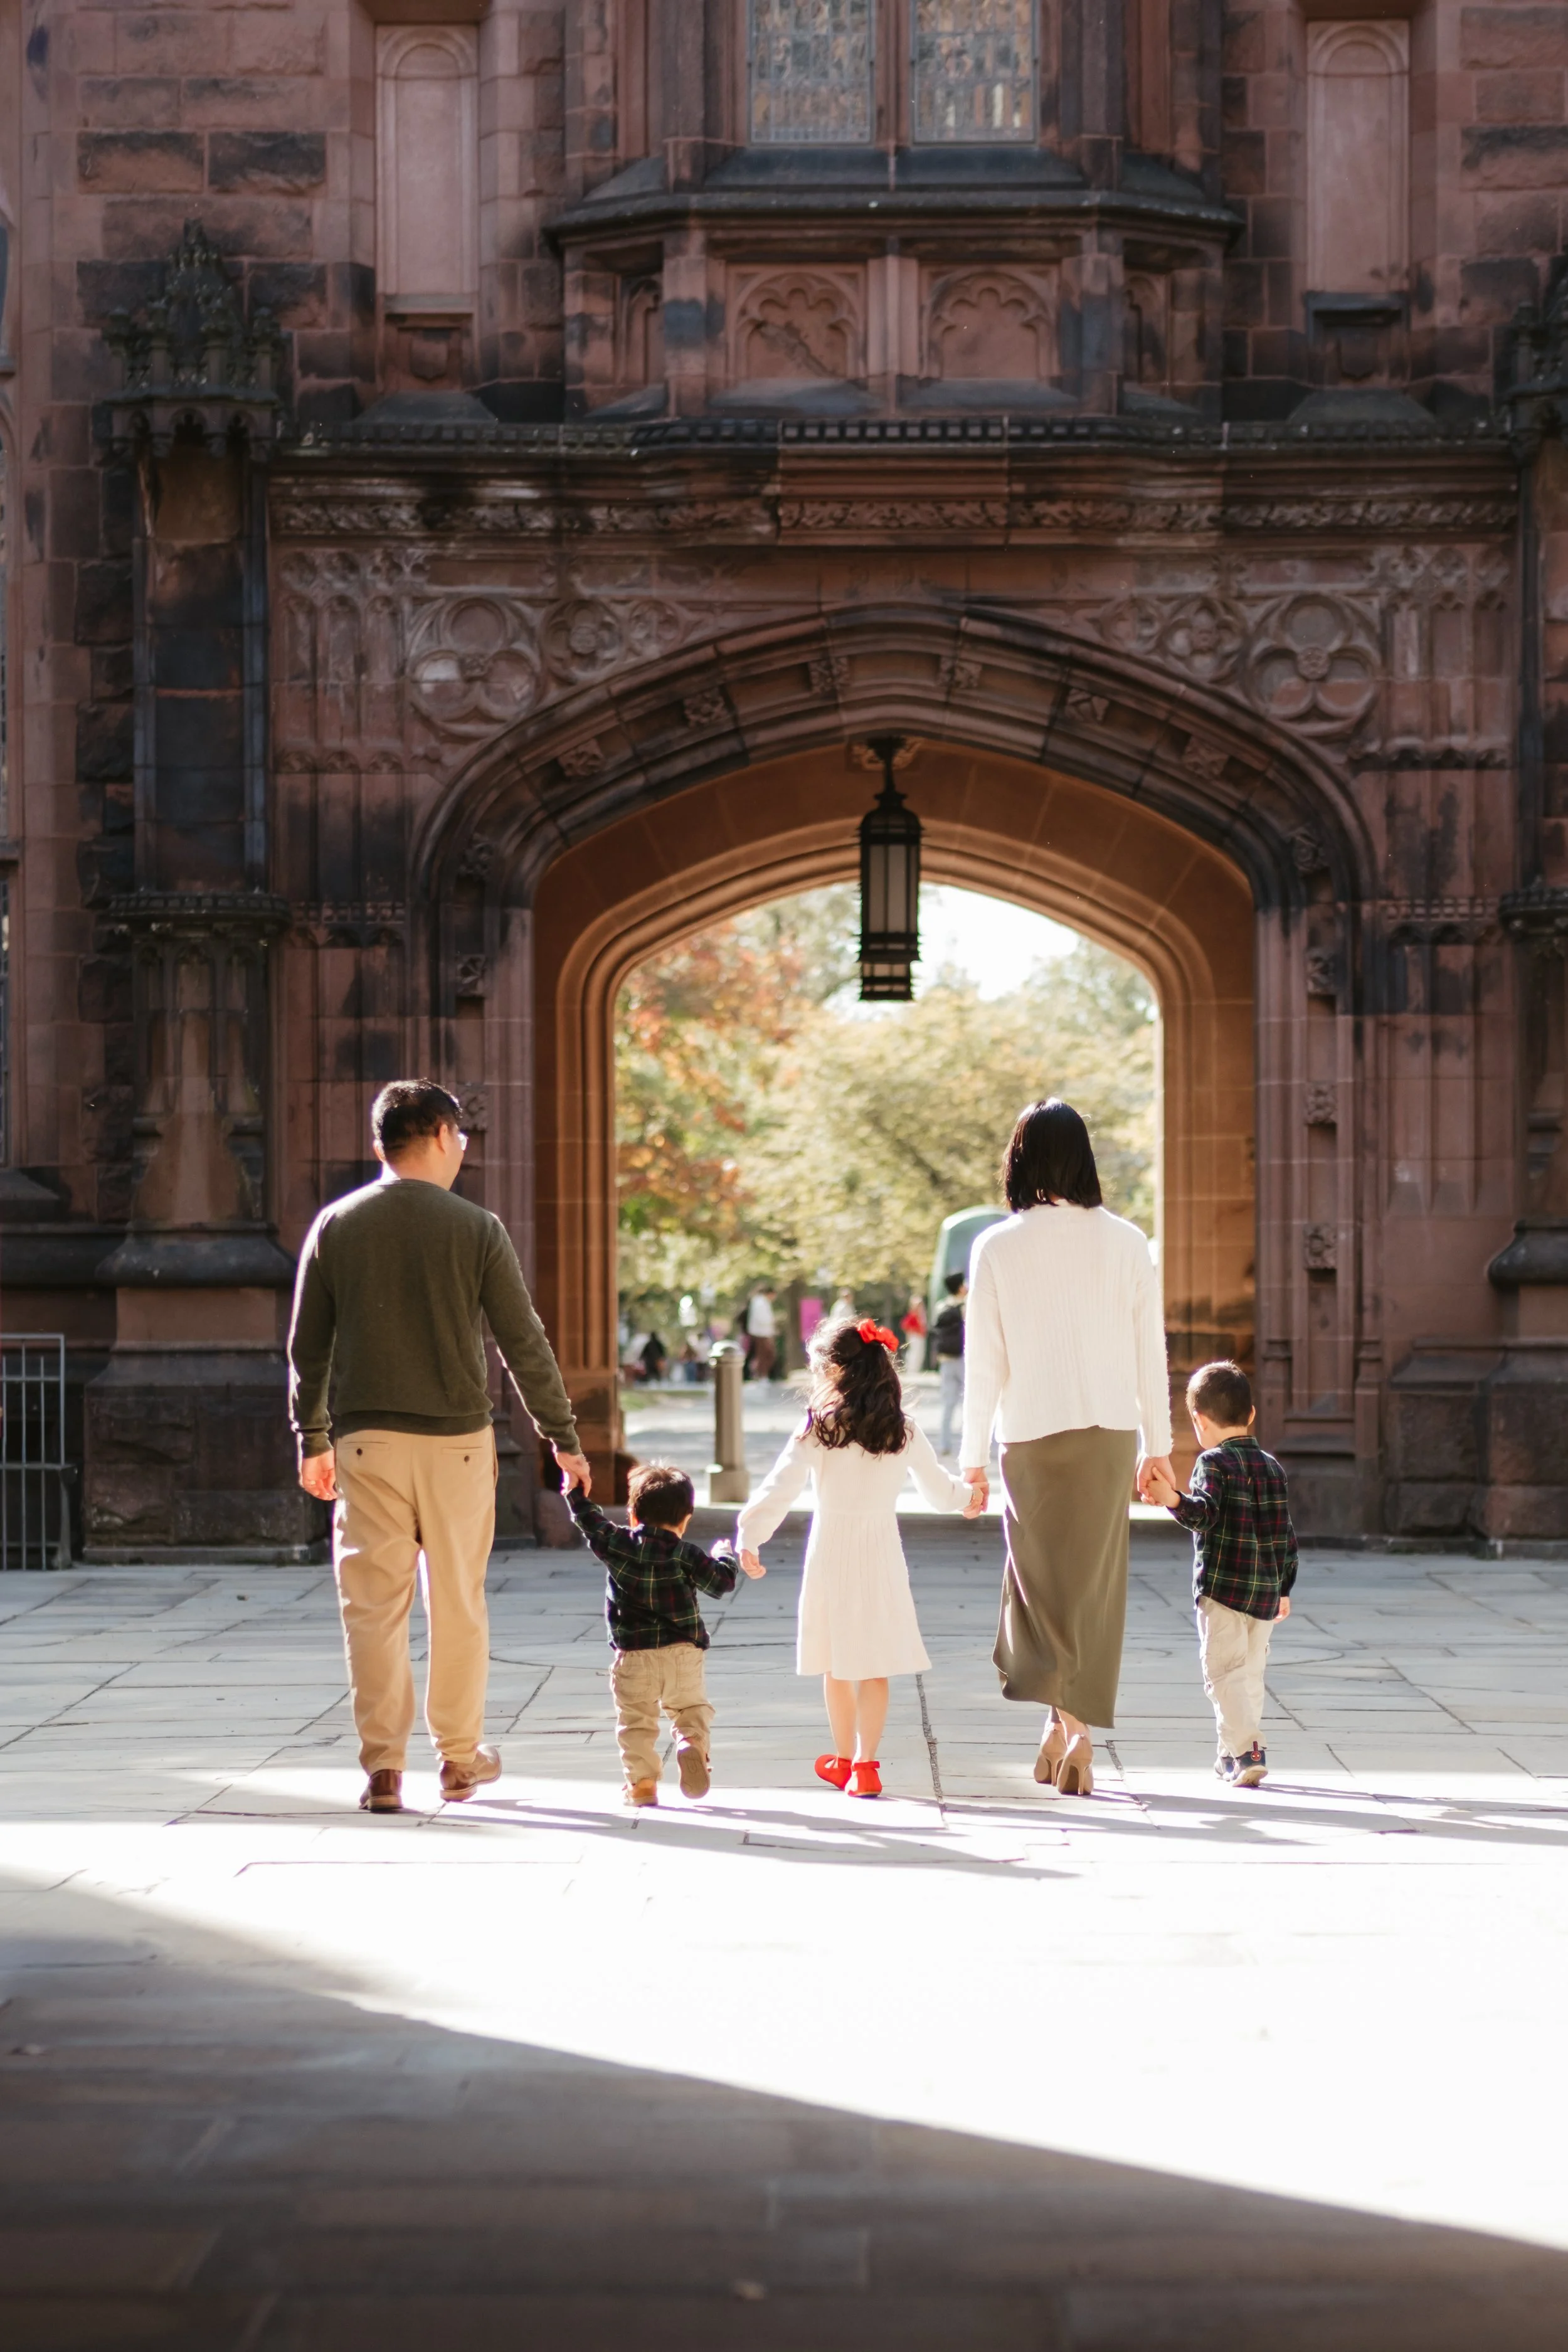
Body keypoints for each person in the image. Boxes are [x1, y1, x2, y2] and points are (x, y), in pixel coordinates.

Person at [289, 1079, 590, 1816]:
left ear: (379, 1144)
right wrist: (563, 1439)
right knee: (457, 1603)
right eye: (462, 1139)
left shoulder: (336, 1224)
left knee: (372, 1610)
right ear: (446, 1136)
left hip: (366, 1447)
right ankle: (458, 1759)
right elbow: (524, 1344)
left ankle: (384, 1770)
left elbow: (308, 1348)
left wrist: (312, 1438)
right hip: (458, 1444)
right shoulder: (477, 1227)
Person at [960, 1099, 1172, 1799]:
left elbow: (983, 1363)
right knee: (1093, 1585)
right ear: (1084, 1158)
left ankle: (1069, 1725)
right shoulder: (1127, 1242)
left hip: (1028, 1432)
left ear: (1019, 1160)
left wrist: (969, 1456)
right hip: (1110, 1430)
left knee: (1039, 1584)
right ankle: (1067, 1729)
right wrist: (1160, 1446)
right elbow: (1151, 1353)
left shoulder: (996, 1246)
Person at [737, 1316, 982, 1798]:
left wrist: (751, 1534)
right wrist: (967, 1497)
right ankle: (868, 1765)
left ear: (834, 1370)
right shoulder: (901, 1428)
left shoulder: (819, 1426)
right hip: (881, 1549)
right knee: (874, 1663)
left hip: (831, 1548)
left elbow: (780, 1485)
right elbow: (938, 1489)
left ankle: (843, 1757)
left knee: (835, 1662)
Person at [568, 1461, 763, 1807]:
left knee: (636, 1723)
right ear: (686, 1517)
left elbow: (590, 1523)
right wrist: (724, 1556)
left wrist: (575, 1493)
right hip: (683, 1653)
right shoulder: (686, 1554)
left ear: (632, 1514)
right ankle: (690, 1742)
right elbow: (722, 1582)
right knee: (690, 1708)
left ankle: (642, 1785)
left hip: (633, 1655)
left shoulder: (617, 1543)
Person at [1143, 1360, 1296, 1788]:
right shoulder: (1273, 1468)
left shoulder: (1212, 1463)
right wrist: (1284, 1586)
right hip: (1264, 1593)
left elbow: (1204, 1515)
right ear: (1251, 1414)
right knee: (1247, 1676)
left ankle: (1248, 1750)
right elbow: (1285, 1535)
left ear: (1199, 1420)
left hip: (1223, 1591)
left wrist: (1172, 1498)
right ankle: (1229, 1754)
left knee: (1222, 1674)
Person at [931, 1271, 967, 1458]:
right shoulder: (966, 1305)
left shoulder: (941, 1306)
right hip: (963, 1358)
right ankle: (968, 1445)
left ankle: (945, 1443)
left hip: (946, 1359)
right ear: (960, 1287)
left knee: (948, 1404)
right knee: (967, 1403)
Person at [744, 1283, 778, 1381]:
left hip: (764, 1333)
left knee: (766, 1355)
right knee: (764, 1355)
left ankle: (762, 1375)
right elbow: (762, 1319)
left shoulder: (762, 1302)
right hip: (761, 1333)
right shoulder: (760, 1302)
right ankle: (761, 1375)